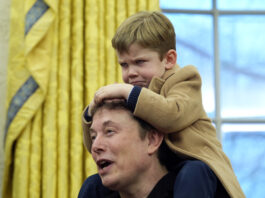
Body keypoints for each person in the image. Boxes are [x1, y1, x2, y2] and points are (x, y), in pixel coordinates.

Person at [82, 11, 245, 197]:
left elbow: (170, 115)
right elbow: (94, 145)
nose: (131, 73)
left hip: (202, 173)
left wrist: (129, 92)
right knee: (95, 184)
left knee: (193, 172)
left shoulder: (184, 80)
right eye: (124, 65)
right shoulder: (138, 94)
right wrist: (90, 113)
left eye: (140, 62)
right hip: (168, 168)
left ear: (169, 60)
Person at [79, 101, 221, 198]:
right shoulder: (94, 190)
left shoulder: (195, 184)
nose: (95, 147)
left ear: (152, 140)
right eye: (93, 137)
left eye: (109, 131)